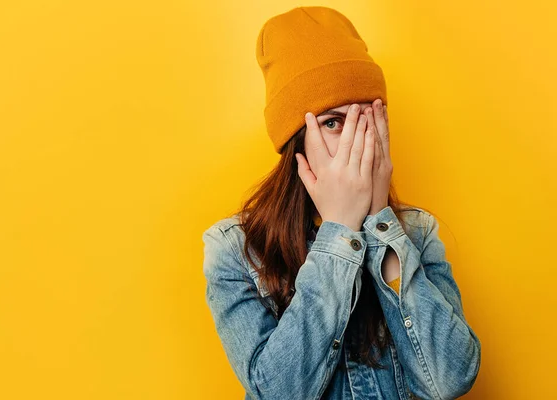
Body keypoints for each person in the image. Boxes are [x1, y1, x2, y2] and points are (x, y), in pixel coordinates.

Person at [202, 6, 481, 400]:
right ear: (295, 141)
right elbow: (278, 393)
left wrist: (380, 223)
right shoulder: (233, 250)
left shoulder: (417, 232)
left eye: (368, 118)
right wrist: (340, 233)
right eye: (333, 122)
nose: (358, 141)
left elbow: (450, 379)